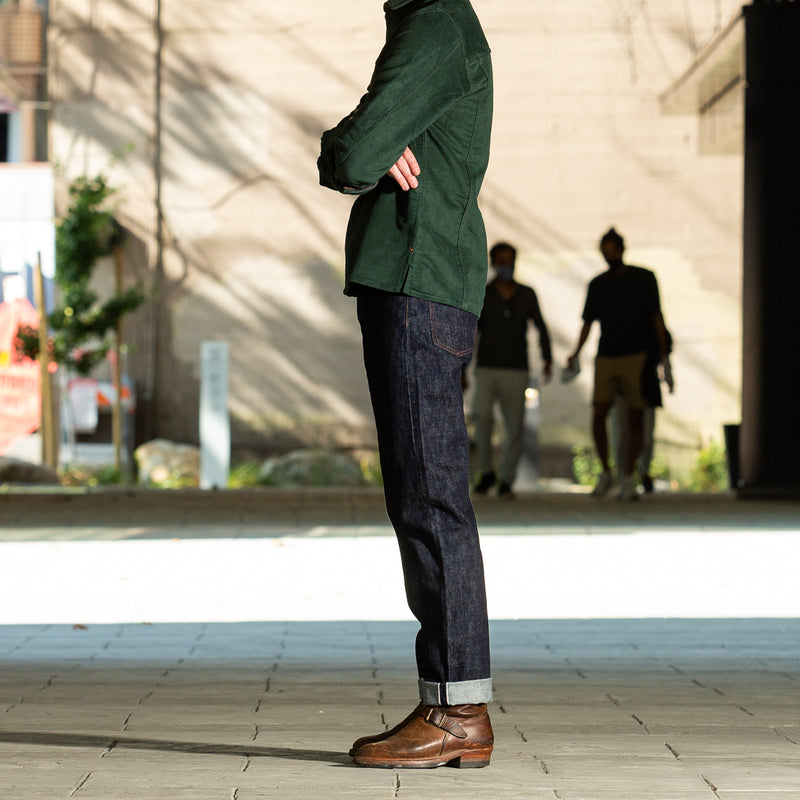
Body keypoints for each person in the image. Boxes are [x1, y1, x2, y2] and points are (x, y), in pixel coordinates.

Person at [317, 0, 494, 769]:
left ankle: (458, 711)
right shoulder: (431, 25)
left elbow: (354, 155)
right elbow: (360, 150)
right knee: (425, 496)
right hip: (421, 286)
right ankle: (455, 702)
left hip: (420, 288)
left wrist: (364, 140)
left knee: (430, 499)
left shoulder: (434, 24)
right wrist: (366, 141)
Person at [566, 228, 667, 501]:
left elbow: (656, 315)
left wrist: (663, 352)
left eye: (613, 250)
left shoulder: (644, 279)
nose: (610, 255)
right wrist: (576, 352)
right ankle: (607, 471)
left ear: (622, 249)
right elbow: (588, 322)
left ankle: (628, 475)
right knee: (600, 412)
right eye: (605, 251)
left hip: (637, 356)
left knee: (636, 416)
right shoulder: (598, 284)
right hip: (607, 356)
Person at [472, 242, 552, 498]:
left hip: (516, 369)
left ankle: (507, 478)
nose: (507, 265)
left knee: (514, 425)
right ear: (494, 263)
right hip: (486, 367)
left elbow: (540, 326)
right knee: (482, 419)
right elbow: (472, 331)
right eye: (502, 260)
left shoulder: (526, 294)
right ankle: (486, 472)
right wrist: (461, 367)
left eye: (510, 260)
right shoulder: (483, 293)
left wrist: (547, 359)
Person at [611, 327, 674, 493]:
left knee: (645, 436)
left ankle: (641, 471)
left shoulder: (654, 328)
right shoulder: (619, 328)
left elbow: (664, 351)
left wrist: (668, 376)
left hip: (646, 387)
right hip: (623, 388)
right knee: (622, 435)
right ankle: (624, 477)